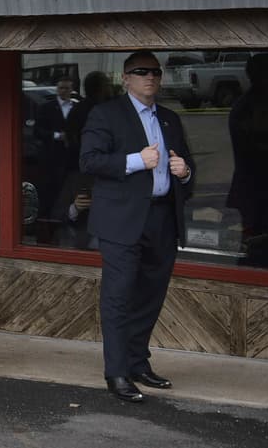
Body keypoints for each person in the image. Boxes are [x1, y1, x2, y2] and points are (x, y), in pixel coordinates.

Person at [80, 51, 195, 403]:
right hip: (121, 220)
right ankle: (116, 372)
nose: (150, 77)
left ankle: (137, 363)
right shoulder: (106, 113)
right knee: (119, 296)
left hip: (161, 219)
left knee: (150, 295)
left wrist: (184, 172)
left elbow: (188, 173)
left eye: (155, 72)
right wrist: (136, 160)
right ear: (126, 78)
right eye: (141, 72)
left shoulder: (170, 118)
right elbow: (89, 161)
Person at [226, 53, 268, 266]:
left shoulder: (249, 104)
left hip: (254, 189)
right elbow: (257, 147)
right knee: (257, 245)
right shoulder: (249, 107)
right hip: (256, 190)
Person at [33, 77, 79, 217]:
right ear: (57, 89)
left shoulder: (76, 107)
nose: (63, 91)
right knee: (51, 189)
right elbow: (37, 131)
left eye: (66, 88)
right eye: (61, 88)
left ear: (71, 90)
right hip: (52, 157)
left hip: (71, 157)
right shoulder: (46, 107)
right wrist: (57, 135)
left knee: (69, 188)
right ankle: (49, 217)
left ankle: (66, 216)